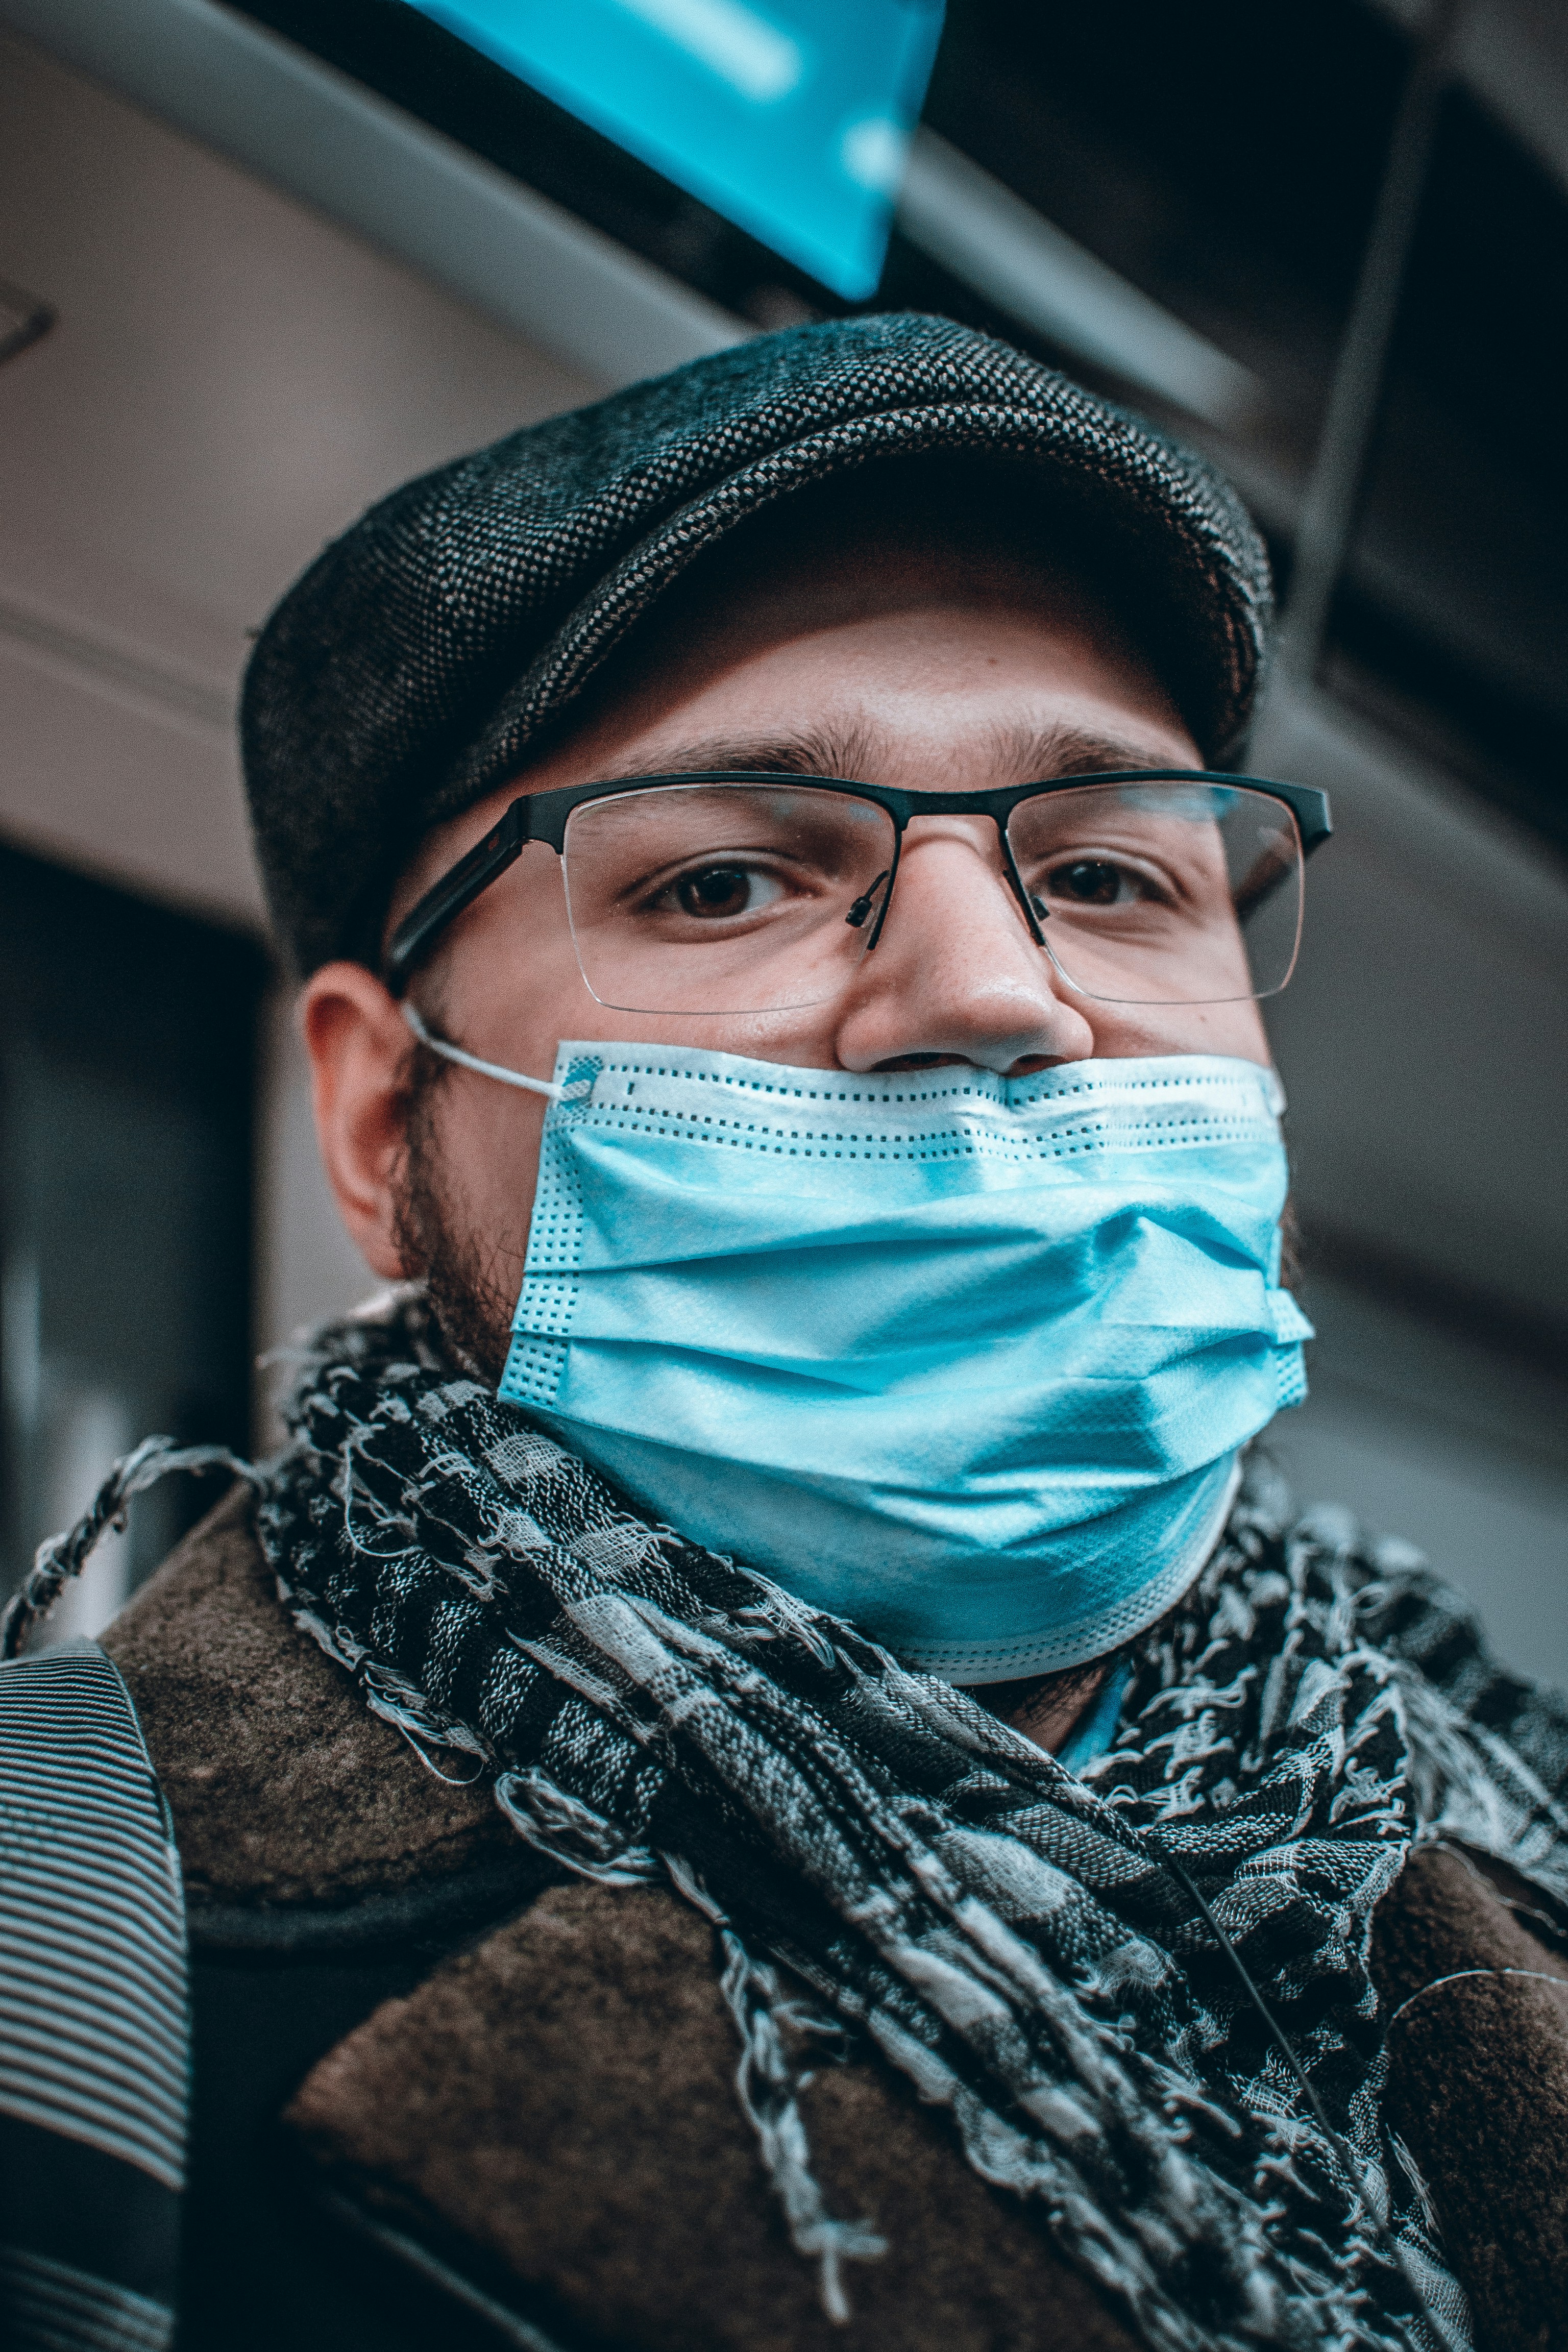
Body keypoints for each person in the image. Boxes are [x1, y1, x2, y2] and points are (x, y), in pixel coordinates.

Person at [7, 315, 1567, 2352]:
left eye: (1102, 870)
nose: (996, 991)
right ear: (385, 1116)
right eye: (730, 877)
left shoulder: (1491, 1784)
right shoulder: (59, 1969)